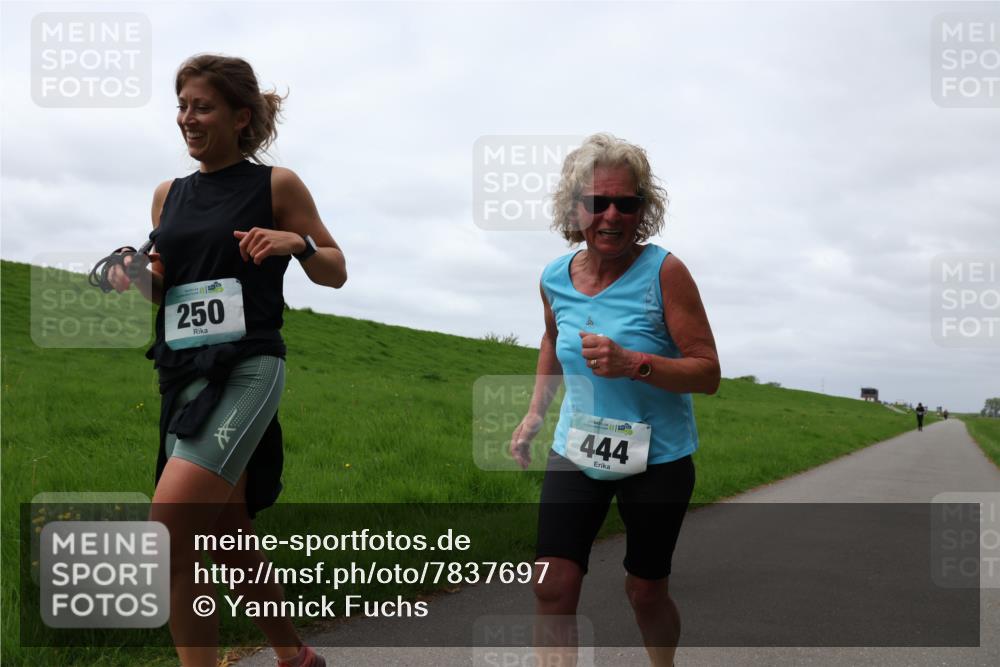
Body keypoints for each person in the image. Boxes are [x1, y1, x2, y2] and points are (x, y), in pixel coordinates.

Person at [108, 54, 345, 667]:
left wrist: (298, 243)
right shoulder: (169, 195)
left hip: (248, 368)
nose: (187, 118)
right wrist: (137, 276)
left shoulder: (276, 186)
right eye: (182, 105)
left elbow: (336, 269)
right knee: (224, 535)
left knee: (168, 532)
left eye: (202, 106)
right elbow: (166, 285)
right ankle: (295, 657)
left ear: (241, 118)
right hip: (183, 374)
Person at [509, 133, 720, 666]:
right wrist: (536, 411)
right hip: (578, 447)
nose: (610, 216)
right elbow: (553, 340)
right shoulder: (555, 277)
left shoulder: (665, 273)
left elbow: (708, 371)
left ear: (642, 210)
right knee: (551, 586)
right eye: (596, 203)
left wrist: (635, 364)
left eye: (625, 204)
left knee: (645, 592)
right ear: (574, 207)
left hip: (659, 458)